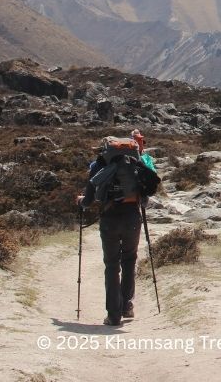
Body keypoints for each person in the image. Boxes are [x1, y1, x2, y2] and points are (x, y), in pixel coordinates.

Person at [77, 131, 145, 327]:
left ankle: (114, 315)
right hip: (133, 217)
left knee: (112, 265)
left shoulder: (98, 165)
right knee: (130, 260)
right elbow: (146, 197)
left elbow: (89, 200)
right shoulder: (136, 164)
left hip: (110, 220)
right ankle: (127, 306)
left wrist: (81, 202)